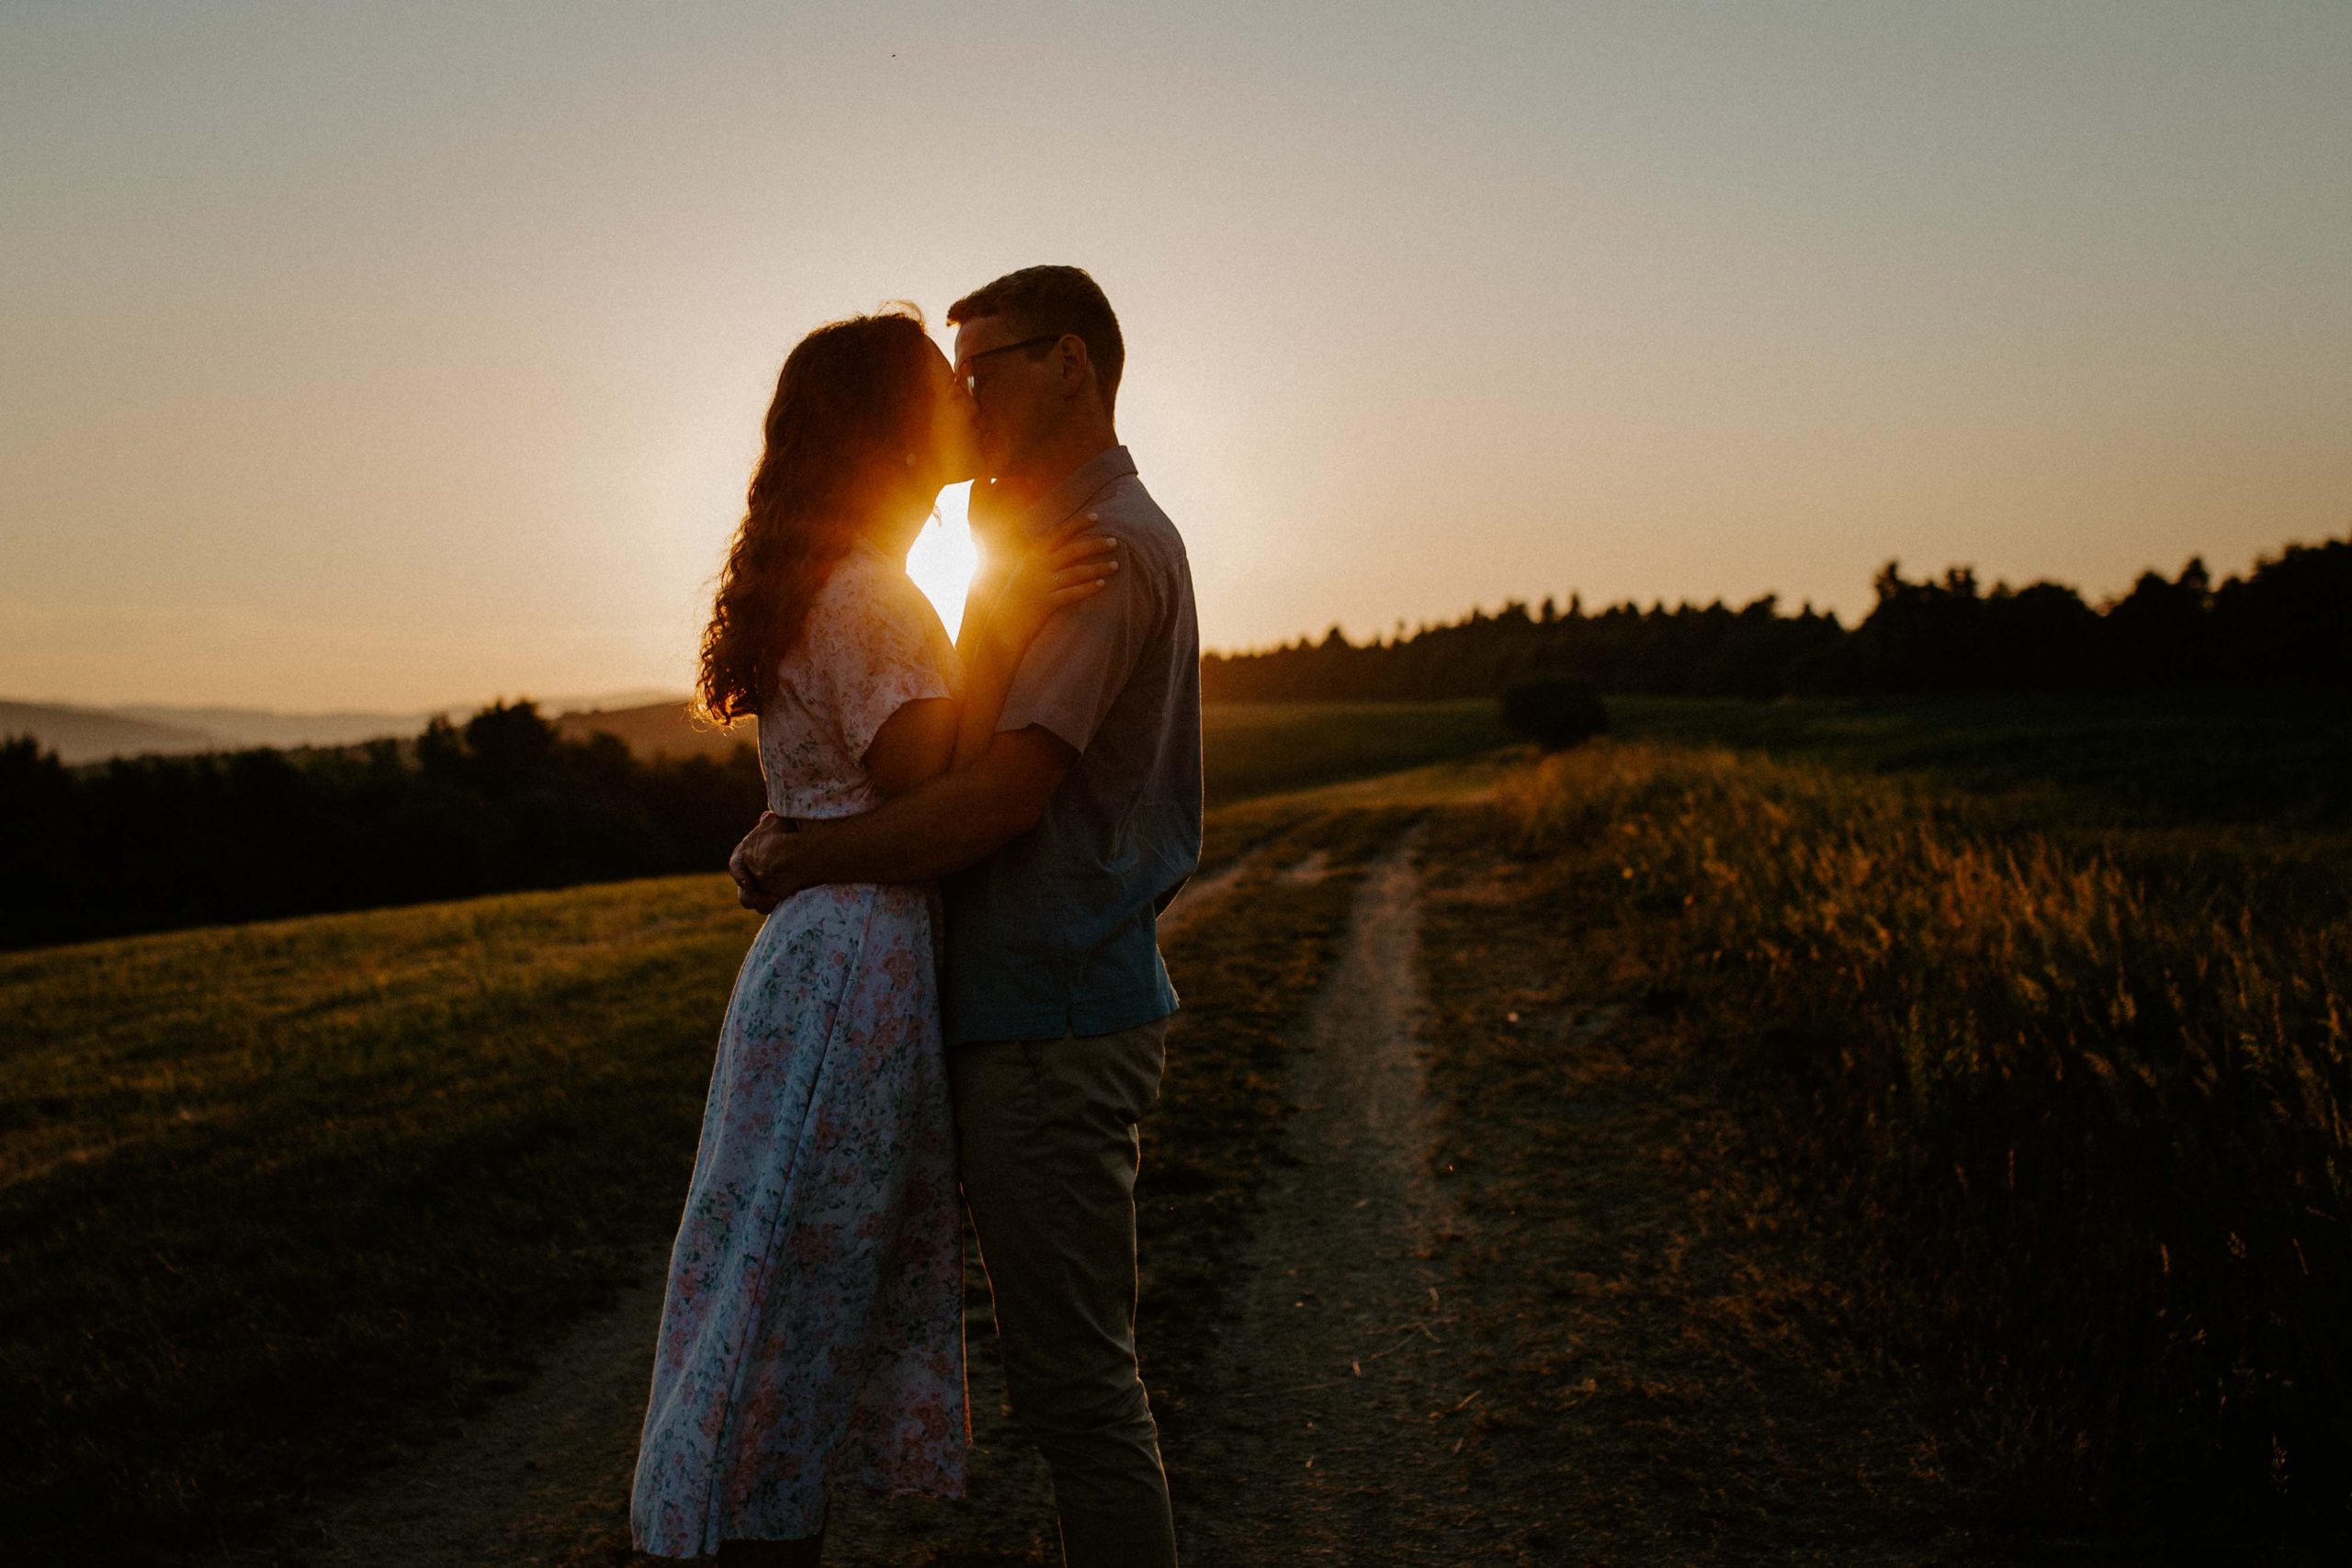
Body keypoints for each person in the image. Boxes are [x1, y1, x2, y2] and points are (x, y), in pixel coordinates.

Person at [630, 303, 1118, 1564]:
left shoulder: (836, 581)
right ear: (892, 432)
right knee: (805, 1269)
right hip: (850, 965)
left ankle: (752, 1510)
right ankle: (751, 1522)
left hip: (828, 952)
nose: (968, 405)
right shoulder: (871, 595)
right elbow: (927, 771)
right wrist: (1009, 611)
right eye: (939, 393)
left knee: (792, 1255)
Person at [731, 265, 1202, 1568]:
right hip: (1005, 1012)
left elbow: (993, 798)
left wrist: (803, 856)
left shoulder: (1101, 553)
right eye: (950, 375)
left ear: (1074, 364)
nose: (963, 396)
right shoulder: (1023, 536)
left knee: (1075, 1388)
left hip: (1052, 1020)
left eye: (985, 365)